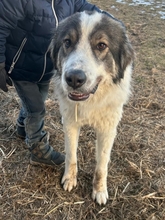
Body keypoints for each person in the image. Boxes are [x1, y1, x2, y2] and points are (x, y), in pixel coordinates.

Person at [0, 0, 113, 167]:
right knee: (36, 109)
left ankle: (22, 128)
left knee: (39, 99)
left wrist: (115, 26)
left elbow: (93, 12)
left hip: (47, 68)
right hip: (21, 67)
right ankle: (38, 149)